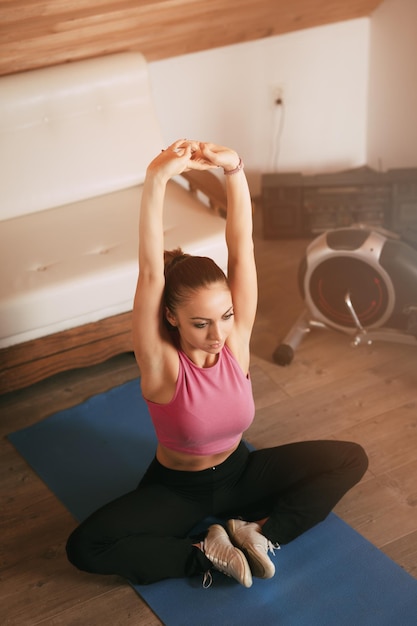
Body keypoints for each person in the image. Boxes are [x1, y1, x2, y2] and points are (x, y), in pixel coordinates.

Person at [66, 139, 368, 588]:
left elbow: (241, 246)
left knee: (351, 458)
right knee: (85, 547)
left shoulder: (235, 340)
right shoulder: (161, 363)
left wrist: (234, 170)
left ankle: (258, 535)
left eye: (225, 316)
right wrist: (157, 176)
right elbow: (151, 272)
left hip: (241, 474)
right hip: (177, 490)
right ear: (171, 317)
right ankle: (205, 554)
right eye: (202, 323)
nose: (219, 333)